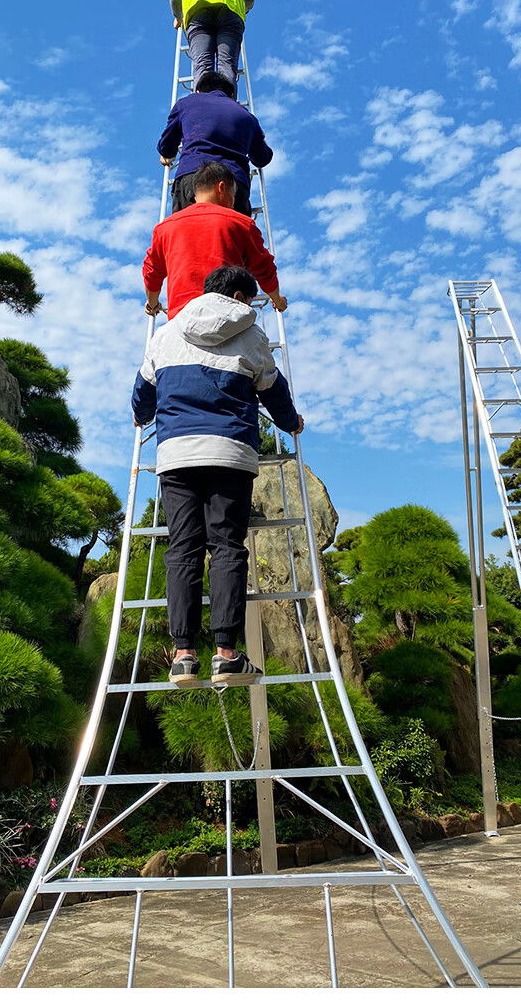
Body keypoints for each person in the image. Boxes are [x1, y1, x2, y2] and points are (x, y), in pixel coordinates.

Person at [132, 264, 304, 687]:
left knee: (183, 549)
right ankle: (227, 654)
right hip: (229, 452)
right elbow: (274, 389)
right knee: (226, 545)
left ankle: (183, 655)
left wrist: (142, 416)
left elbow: (141, 397)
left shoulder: (166, 333)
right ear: (242, 298)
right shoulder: (252, 335)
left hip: (176, 454)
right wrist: (292, 422)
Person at [142, 161, 287, 320]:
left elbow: (152, 272)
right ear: (222, 188)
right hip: (229, 320)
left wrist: (152, 303)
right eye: (233, 195)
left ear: (196, 194)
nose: (232, 203)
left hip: (183, 322)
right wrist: (277, 299)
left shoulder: (164, 228)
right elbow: (264, 268)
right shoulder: (241, 223)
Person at [158, 71, 273, 218]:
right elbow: (262, 158)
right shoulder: (247, 116)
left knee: (189, 235)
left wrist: (168, 155)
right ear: (231, 95)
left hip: (193, 176)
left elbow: (167, 145)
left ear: (198, 91)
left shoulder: (186, 103)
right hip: (233, 182)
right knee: (232, 238)